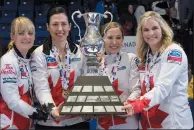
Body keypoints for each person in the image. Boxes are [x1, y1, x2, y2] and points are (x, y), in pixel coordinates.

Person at [122, 11, 193, 129]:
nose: (150, 33)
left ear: (162, 29)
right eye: (146, 30)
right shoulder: (144, 57)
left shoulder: (174, 52)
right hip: (148, 124)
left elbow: (163, 88)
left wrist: (137, 105)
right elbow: (141, 87)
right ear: (141, 33)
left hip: (173, 124)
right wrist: (130, 101)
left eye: (155, 28)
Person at [31, 6, 89, 129]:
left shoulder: (81, 52)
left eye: (63, 24)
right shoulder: (39, 54)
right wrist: (52, 110)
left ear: (69, 26)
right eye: (55, 24)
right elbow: (41, 88)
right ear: (47, 27)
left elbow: (88, 83)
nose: (60, 29)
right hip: (49, 123)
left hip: (78, 122)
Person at [0, 17, 47, 130]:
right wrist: (35, 112)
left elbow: (31, 93)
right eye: (21, 33)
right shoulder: (8, 61)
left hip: (26, 123)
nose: (27, 37)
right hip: (10, 124)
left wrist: (49, 107)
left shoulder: (27, 60)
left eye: (30, 33)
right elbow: (12, 100)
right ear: (12, 36)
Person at [96, 22, 141, 129]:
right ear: (103, 39)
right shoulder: (96, 62)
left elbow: (136, 89)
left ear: (123, 39)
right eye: (110, 37)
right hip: (103, 125)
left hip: (128, 123)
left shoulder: (130, 59)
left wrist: (126, 106)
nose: (114, 42)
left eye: (118, 37)